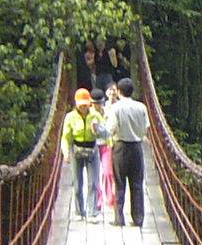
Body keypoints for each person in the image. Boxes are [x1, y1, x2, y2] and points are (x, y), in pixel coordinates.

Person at [105, 77, 150, 226]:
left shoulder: (115, 108)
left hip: (120, 148)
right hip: (137, 148)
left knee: (119, 183)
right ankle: (138, 219)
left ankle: (119, 218)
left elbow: (112, 129)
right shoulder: (141, 107)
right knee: (137, 184)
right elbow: (145, 129)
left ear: (118, 91)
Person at [60, 88, 103, 221]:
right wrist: (66, 152)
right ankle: (79, 211)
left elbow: (104, 133)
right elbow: (65, 137)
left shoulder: (95, 116)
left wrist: (97, 131)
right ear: (76, 103)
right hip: (76, 151)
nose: (84, 106)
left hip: (92, 150)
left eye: (86, 103)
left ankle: (92, 212)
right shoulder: (70, 117)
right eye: (81, 103)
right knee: (78, 183)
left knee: (93, 183)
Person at [91, 88, 117, 216]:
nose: (97, 106)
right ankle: (98, 200)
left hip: (106, 145)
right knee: (95, 174)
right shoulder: (89, 114)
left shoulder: (108, 111)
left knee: (107, 173)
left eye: (99, 103)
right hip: (93, 146)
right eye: (95, 103)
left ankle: (110, 199)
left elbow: (112, 128)